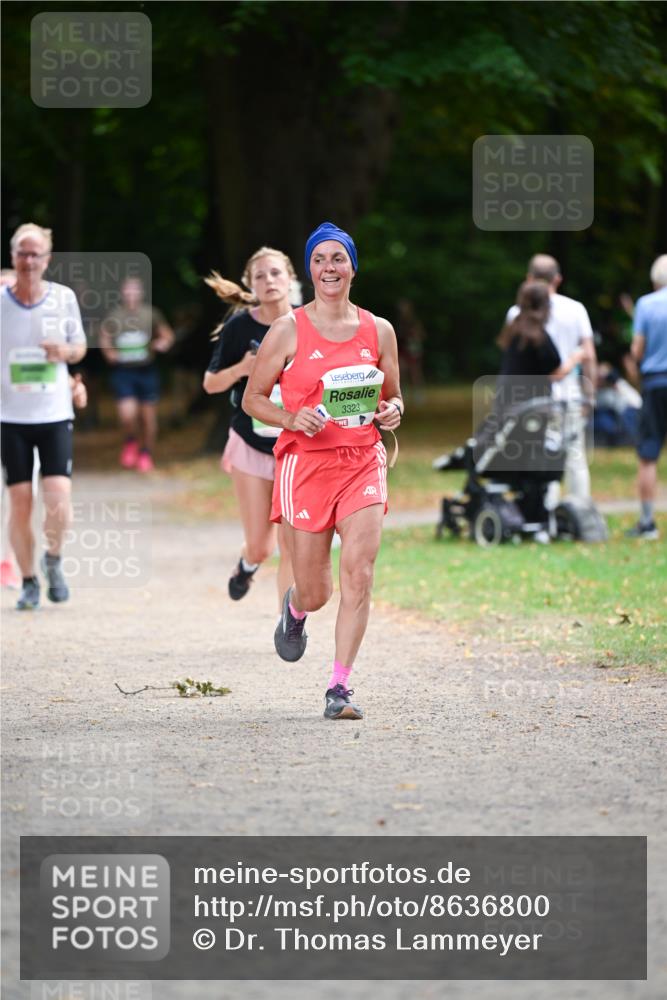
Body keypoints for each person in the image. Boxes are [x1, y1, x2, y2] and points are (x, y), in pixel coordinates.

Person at [243, 221, 403, 721]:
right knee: (317, 591)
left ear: (353, 266)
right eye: (319, 259)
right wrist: (291, 417)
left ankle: (340, 688)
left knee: (359, 572)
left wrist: (393, 410)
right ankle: (294, 609)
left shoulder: (379, 330)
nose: (328, 268)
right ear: (309, 268)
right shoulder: (287, 329)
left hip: (362, 461)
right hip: (306, 466)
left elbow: (392, 394)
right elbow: (252, 398)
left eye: (338, 258)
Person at [0, 222, 87, 610]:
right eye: (22, 253)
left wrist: (64, 353)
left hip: (53, 413)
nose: (28, 260)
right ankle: (29, 580)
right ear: (13, 256)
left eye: (36, 254)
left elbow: (80, 346)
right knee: (19, 502)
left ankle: (53, 559)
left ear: (47, 259)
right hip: (10, 416)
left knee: (58, 500)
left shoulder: (63, 298)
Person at [202, 247, 295, 605]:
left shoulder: (309, 322)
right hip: (251, 441)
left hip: (296, 446)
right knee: (262, 545)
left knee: (292, 543)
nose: (269, 281)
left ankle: (289, 622)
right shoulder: (240, 327)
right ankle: (246, 564)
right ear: (250, 285)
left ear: (290, 279)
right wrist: (242, 368)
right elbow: (210, 384)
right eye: (260, 276)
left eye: (275, 273)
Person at [506, 254, 597, 499]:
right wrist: (591, 394)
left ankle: (546, 512)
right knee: (575, 458)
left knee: (544, 458)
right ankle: (580, 509)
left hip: (531, 402)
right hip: (569, 395)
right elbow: (589, 355)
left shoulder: (517, 313)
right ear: (558, 278)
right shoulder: (576, 309)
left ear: (528, 279)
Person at [100, 276, 174, 472]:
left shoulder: (150, 314)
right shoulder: (115, 316)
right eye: (128, 291)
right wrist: (109, 353)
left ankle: (145, 454)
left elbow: (167, 334)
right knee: (127, 415)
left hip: (146, 370)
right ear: (123, 293)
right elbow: (104, 336)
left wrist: (163, 343)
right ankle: (131, 441)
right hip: (123, 372)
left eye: (135, 290)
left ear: (141, 293)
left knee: (148, 419)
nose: (131, 294)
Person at [626, 253, 667, 539]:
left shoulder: (645, 304)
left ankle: (647, 522)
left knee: (648, 455)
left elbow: (637, 351)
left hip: (655, 383)